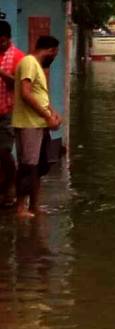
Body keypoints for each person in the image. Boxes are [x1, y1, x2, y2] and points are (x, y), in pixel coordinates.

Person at [12, 35, 61, 218]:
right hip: (29, 123)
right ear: (50, 50)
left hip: (39, 123)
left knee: (40, 167)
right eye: (55, 53)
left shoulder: (36, 66)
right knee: (28, 166)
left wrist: (52, 113)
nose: (54, 56)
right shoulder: (29, 62)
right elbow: (26, 94)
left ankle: (34, 205)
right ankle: (20, 207)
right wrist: (46, 115)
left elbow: (39, 95)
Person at [0, 21, 24, 209]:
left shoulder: (18, 57)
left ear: (8, 38)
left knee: (4, 151)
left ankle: (10, 189)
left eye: (1, 41)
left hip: (7, 112)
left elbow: (20, 85)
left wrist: (1, 73)